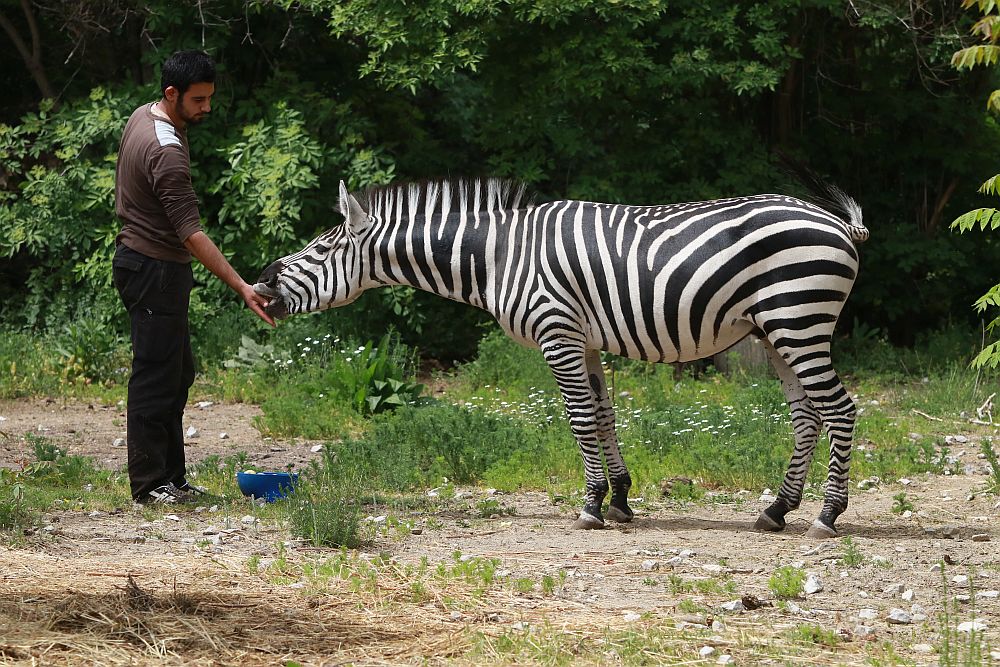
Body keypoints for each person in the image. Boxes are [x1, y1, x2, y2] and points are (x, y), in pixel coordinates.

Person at [112, 50, 274, 504]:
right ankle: (149, 487)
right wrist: (243, 286)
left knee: (177, 372)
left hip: (141, 263)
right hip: (154, 270)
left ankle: (172, 479)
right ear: (172, 94)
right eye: (199, 100)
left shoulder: (143, 116)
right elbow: (191, 235)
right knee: (155, 378)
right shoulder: (166, 152)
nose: (207, 108)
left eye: (209, 98)